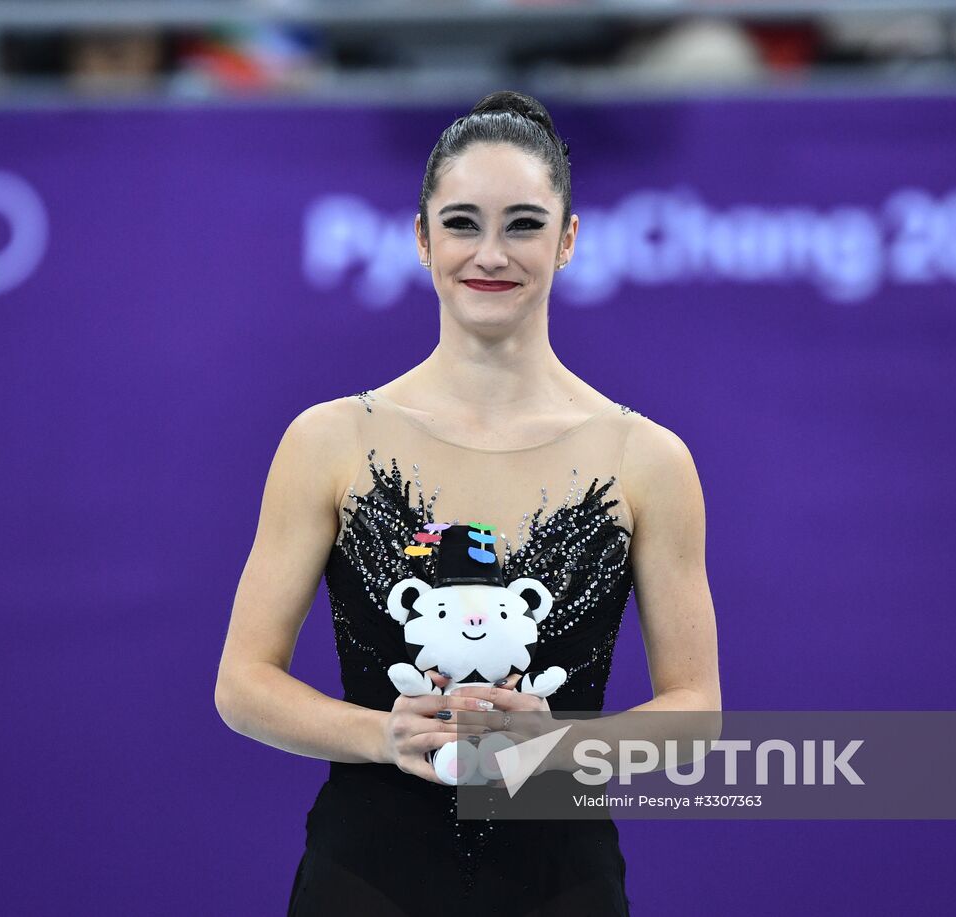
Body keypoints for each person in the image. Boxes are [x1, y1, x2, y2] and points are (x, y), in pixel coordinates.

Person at [215, 90, 720, 915]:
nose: (491, 253)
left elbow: (696, 712)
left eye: (523, 223)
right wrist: (384, 732)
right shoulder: (332, 441)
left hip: (564, 880)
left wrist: (554, 744)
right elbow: (242, 682)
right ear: (421, 239)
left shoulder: (646, 459)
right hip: (366, 875)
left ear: (568, 240)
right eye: (461, 223)